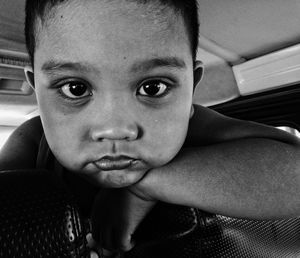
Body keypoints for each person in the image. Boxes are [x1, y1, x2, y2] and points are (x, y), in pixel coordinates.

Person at [0, 0, 299, 256]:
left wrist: (147, 187)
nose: (116, 129)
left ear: (191, 89)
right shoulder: (32, 139)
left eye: (153, 87)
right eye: (76, 89)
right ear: (37, 90)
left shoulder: (196, 126)